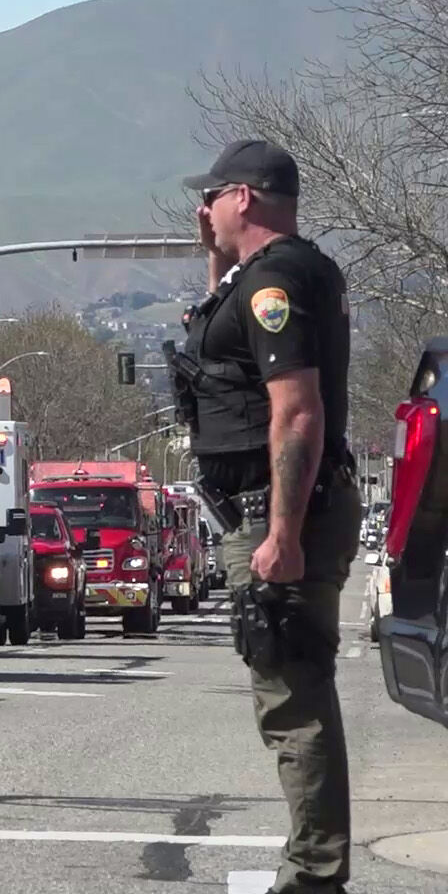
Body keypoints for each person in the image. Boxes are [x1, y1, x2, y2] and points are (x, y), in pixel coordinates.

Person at [173, 139, 359, 894]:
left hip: (281, 509)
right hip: (276, 506)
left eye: (211, 198)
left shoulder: (275, 282)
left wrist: (282, 533)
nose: (203, 210)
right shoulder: (276, 274)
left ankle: (314, 876)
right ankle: (314, 865)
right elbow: (231, 358)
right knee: (291, 687)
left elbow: (296, 413)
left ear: (242, 197)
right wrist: (217, 265)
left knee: (293, 695)